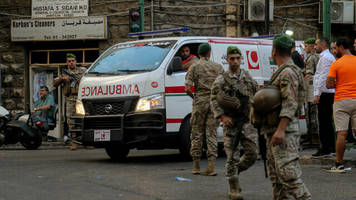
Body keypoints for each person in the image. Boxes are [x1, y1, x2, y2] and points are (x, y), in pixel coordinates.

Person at [252, 34, 311, 200]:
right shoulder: (284, 71)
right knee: (277, 178)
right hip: (274, 130)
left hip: (284, 132)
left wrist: (281, 130)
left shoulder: (287, 73)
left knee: (289, 177)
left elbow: (290, 103)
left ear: (274, 50)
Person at [211, 46, 257, 200]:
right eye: (232, 58)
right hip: (231, 123)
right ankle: (234, 187)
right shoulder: (221, 80)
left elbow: (256, 94)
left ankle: (234, 172)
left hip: (247, 122)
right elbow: (213, 100)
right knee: (232, 156)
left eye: (238, 58)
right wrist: (223, 117)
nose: (235, 61)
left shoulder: (247, 76)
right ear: (227, 60)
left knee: (252, 153)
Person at [185, 43, 224, 176]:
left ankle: (196, 166)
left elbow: (188, 88)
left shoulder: (194, 66)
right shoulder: (218, 67)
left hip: (200, 102)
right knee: (211, 133)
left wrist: (195, 97)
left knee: (196, 133)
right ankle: (211, 166)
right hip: (214, 102)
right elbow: (224, 87)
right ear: (209, 53)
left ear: (199, 54)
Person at [326, 38, 356, 172]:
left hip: (341, 100)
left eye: (335, 48)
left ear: (342, 48)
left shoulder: (336, 64)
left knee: (342, 133)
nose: (334, 51)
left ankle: (339, 164)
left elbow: (328, 84)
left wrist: (337, 83)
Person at [53, 53, 86, 150]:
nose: (71, 63)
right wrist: (62, 79)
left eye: (73, 61)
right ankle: (74, 142)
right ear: (67, 63)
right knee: (71, 122)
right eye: (69, 61)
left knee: (83, 120)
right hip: (70, 99)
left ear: (76, 62)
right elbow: (54, 84)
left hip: (81, 99)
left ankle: (86, 142)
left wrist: (82, 81)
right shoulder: (64, 73)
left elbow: (91, 78)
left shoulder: (83, 71)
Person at [312, 38, 336, 157]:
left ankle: (326, 148)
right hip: (327, 92)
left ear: (322, 44)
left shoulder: (326, 58)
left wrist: (317, 94)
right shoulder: (326, 57)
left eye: (316, 44)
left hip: (325, 93)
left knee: (323, 121)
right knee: (326, 121)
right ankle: (330, 147)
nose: (315, 46)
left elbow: (323, 77)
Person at [303, 38, 320, 143]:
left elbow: (309, 73)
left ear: (311, 46)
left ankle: (313, 137)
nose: (305, 48)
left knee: (311, 112)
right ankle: (313, 136)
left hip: (310, 87)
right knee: (314, 112)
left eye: (306, 46)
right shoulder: (318, 57)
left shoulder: (311, 58)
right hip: (315, 86)